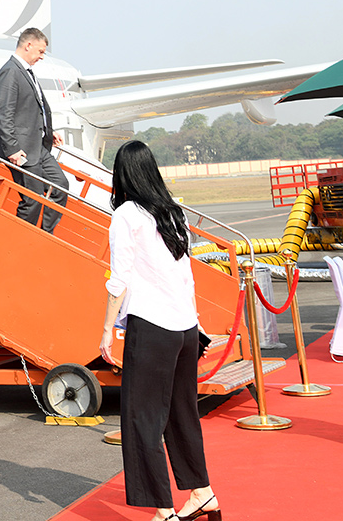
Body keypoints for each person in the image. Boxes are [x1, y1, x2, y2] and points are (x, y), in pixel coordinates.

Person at [99, 140, 221, 521]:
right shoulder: (172, 212)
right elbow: (186, 275)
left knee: (142, 419)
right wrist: (197, 323)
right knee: (181, 414)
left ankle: (164, 510)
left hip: (152, 328)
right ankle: (202, 493)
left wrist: (106, 329)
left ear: (121, 175)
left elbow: (118, 280)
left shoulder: (126, 215)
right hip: (184, 328)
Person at [0, 27, 68, 234]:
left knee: (59, 185)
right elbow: (4, 113)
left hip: (37, 145)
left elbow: (34, 107)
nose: (42, 57)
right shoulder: (10, 72)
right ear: (28, 45)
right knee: (32, 199)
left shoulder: (26, 72)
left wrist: (48, 131)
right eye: (40, 52)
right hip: (21, 149)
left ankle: (44, 234)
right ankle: (22, 238)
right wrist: (12, 148)